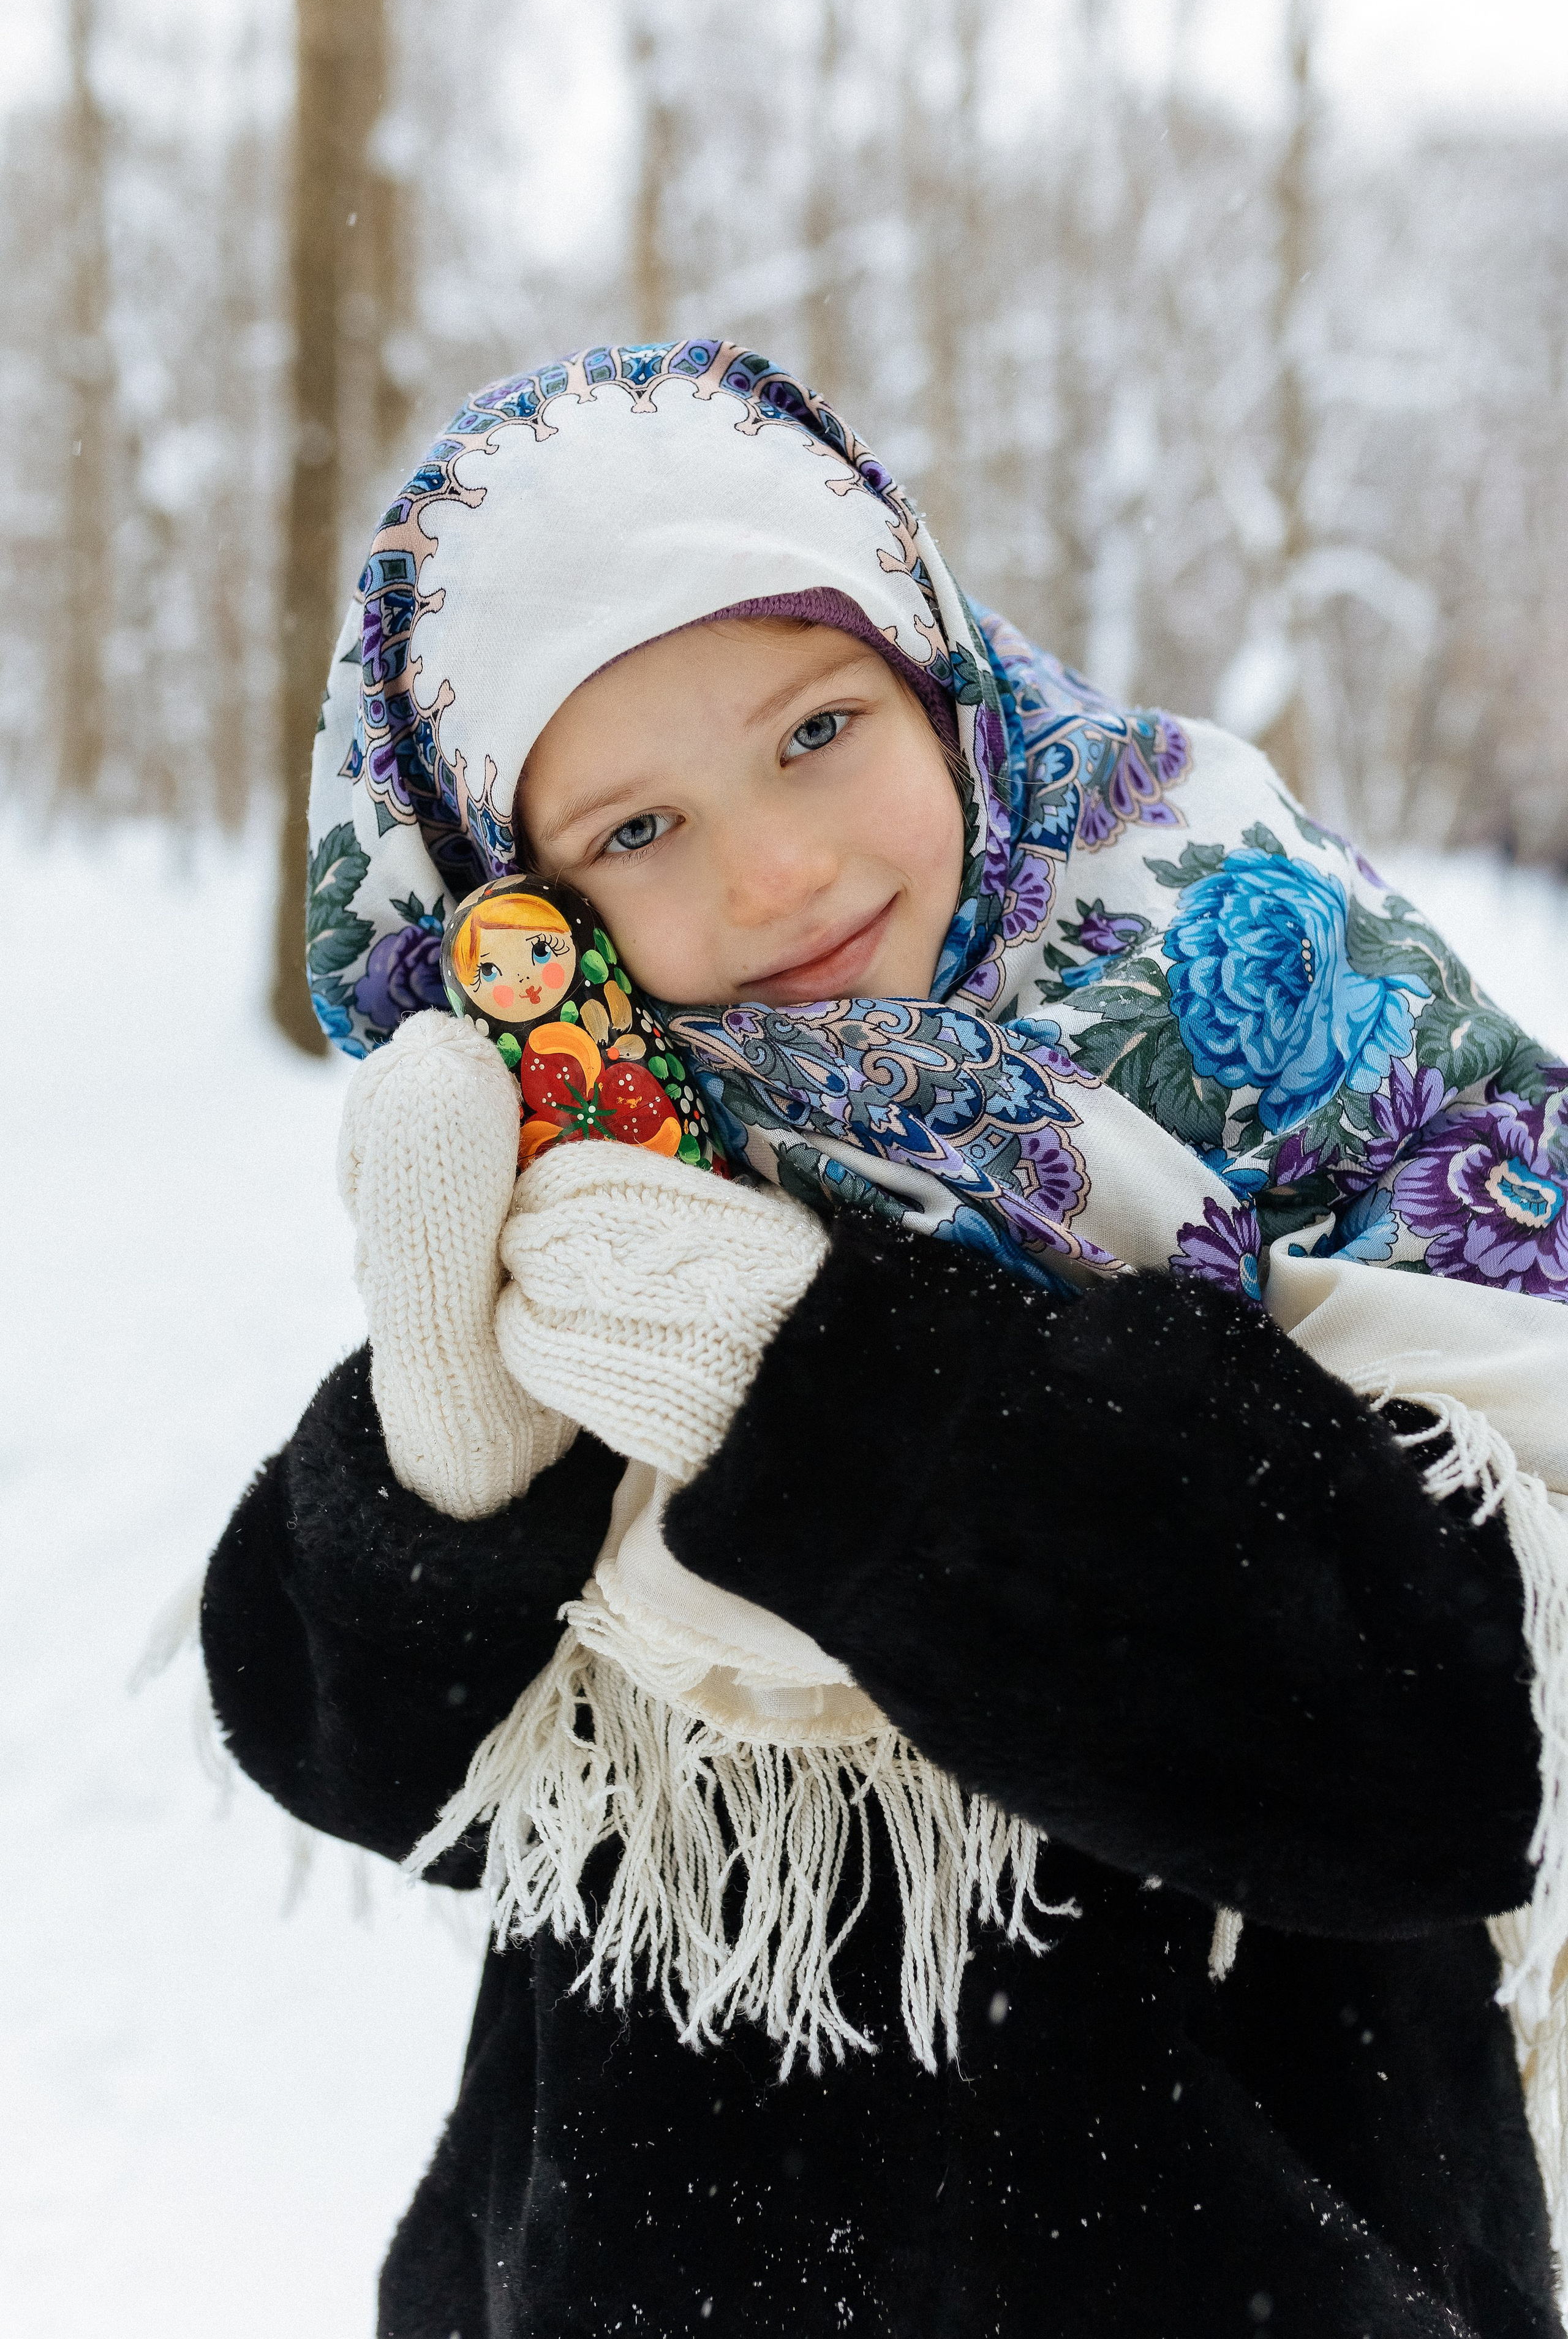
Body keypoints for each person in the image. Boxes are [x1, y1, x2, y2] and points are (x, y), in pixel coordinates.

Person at [203, 339, 1568, 2338]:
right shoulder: (584, 1187)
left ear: (938, 672)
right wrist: (448, 1464)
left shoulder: (1270, 1045)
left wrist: (831, 1390)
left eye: (816, 728)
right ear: (525, 906)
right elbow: (385, 1780)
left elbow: (1436, 1757)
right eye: (635, 834)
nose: (780, 869)